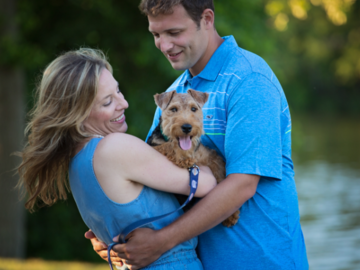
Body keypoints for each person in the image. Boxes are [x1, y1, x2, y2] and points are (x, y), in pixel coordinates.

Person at [87, 0, 309, 269]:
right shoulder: (172, 97)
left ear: (206, 19)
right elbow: (151, 183)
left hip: (262, 260)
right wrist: (116, 234)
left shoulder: (249, 80)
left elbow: (243, 184)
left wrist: (159, 242)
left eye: (174, 33)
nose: (164, 46)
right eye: (156, 35)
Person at [17, 48, 218, 270]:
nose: (123, 104)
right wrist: (207, 162)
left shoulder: (76, 161)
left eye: (118, 91)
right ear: (78, 113)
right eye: (107, 102)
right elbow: (205, 185)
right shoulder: (115, 147)